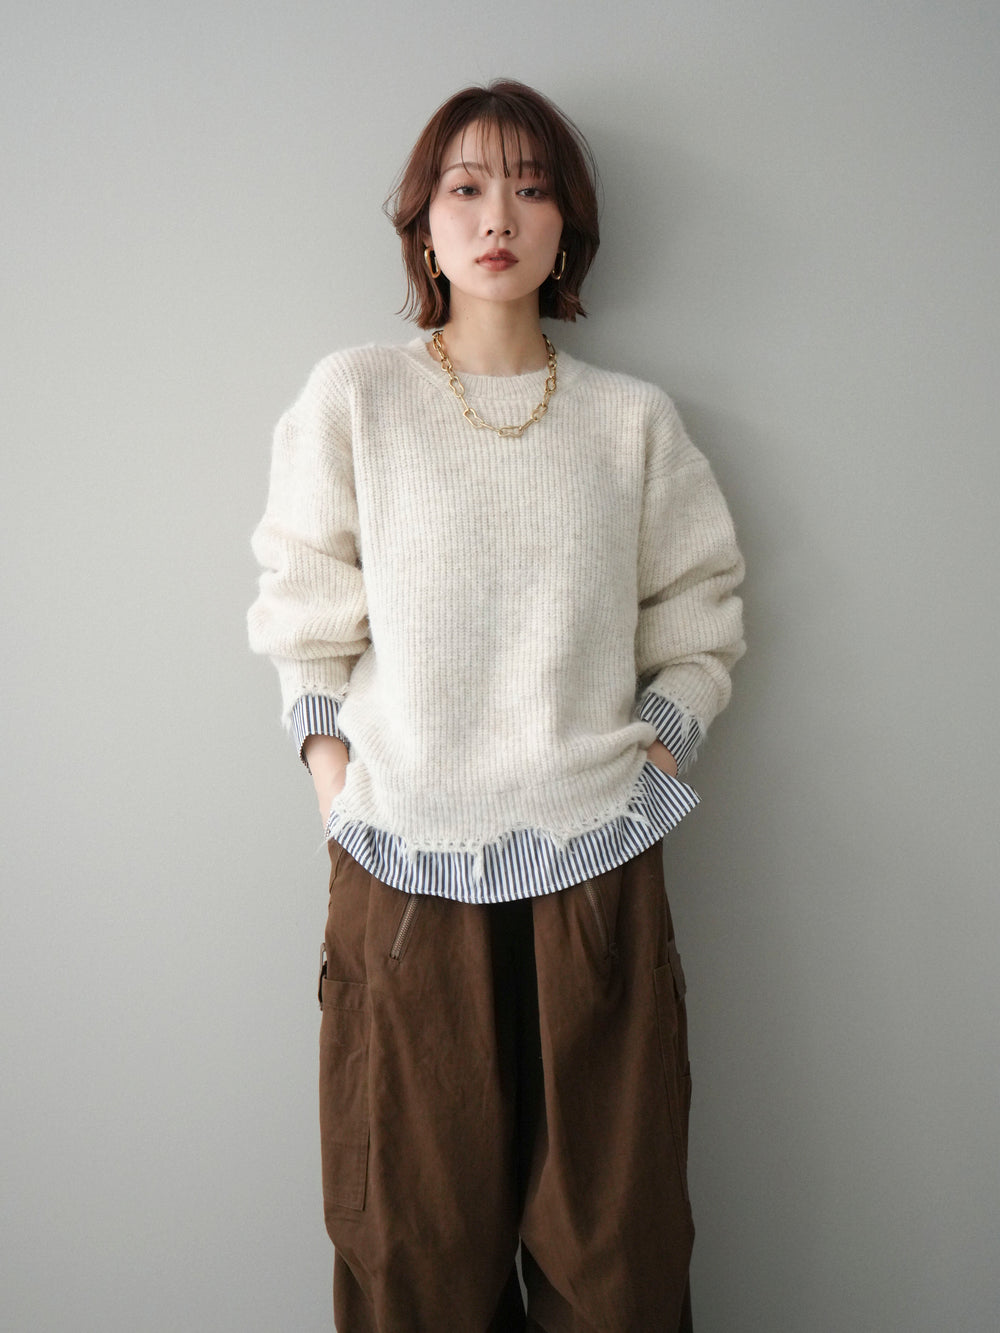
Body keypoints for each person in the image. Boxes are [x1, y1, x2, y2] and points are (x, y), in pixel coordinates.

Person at [248, 78, 745, 1333]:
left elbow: (699, 613)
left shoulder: (632, 422)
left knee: (618, 1262)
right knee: (412, 1254)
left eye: (530, 189)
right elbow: (304, 609)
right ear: (422, 227)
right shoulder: (356, 397)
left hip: (597, 871)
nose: (498, 217)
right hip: (403, 872)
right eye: (465, 188)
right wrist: (338, 792)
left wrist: (659, 754)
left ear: (567, 227)